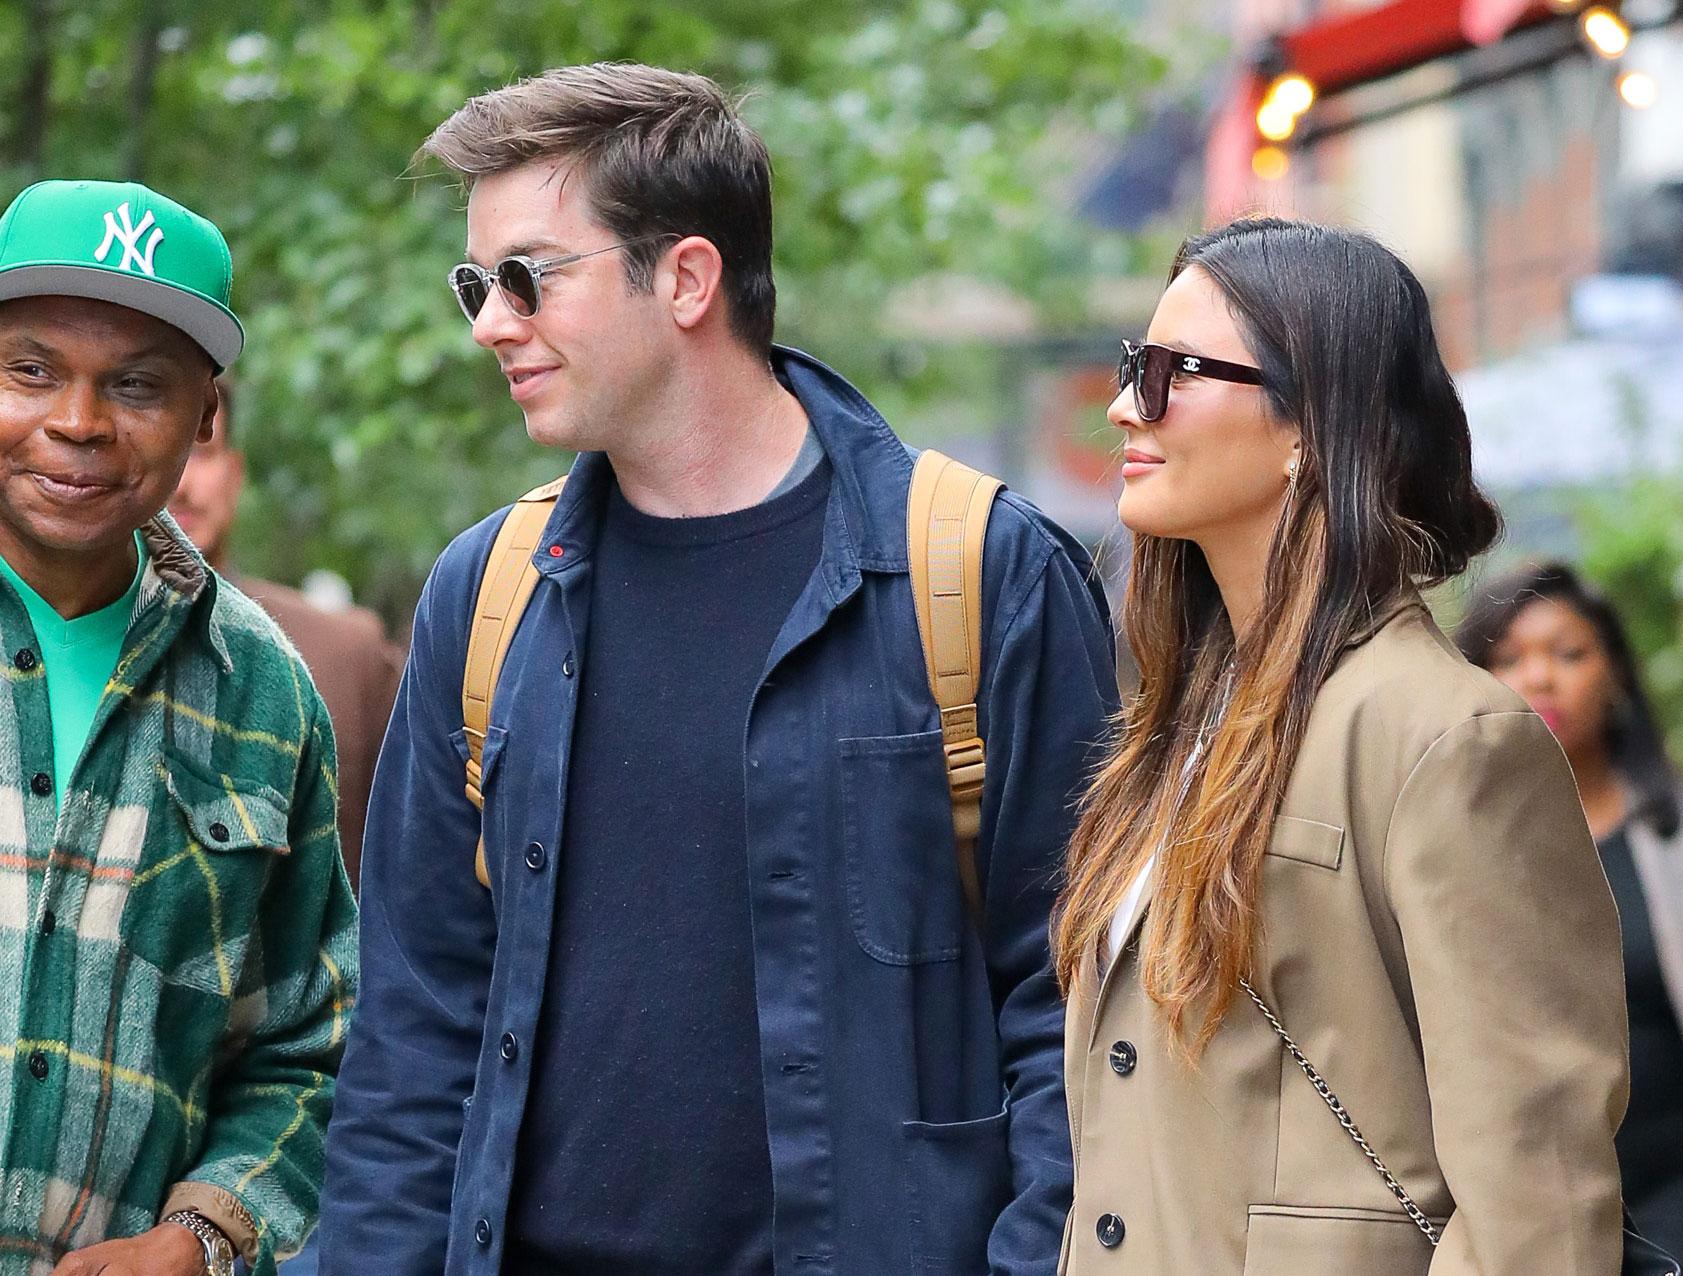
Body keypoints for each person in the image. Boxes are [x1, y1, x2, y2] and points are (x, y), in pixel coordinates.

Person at [317, 65, 1118, 1276]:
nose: (489, 321)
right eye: (476, 283)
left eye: (529, 275)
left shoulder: (980, 575)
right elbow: (413, 1037)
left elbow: (1074, 1024)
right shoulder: (488, 593)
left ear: (686, 277)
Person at [1052, 218, 1628, 1275]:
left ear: (1307, 426)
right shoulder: (1178, 726)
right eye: (1137, 364)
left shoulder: (1446, 739)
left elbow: (1533, 1201)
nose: (1127, 403)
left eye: (1177, 370)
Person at [0, 178, 356, 1276]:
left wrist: (201, 1236)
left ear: (206, 418)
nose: (78, 422)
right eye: (32, 369)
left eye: (138, 384)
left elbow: (308, 1049)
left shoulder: (265, 693)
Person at [1458, 561, 1683, 1276]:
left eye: (1569, 652)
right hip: (1520, 1193)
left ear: (1615, 671)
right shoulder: (1453, 837)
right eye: (1509, 657)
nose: (1541, 678)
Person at [170, 379, 403, 889]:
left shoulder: (343, 658)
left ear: (234, 476)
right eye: (165, 450)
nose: (181, 481)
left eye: (201, 452)